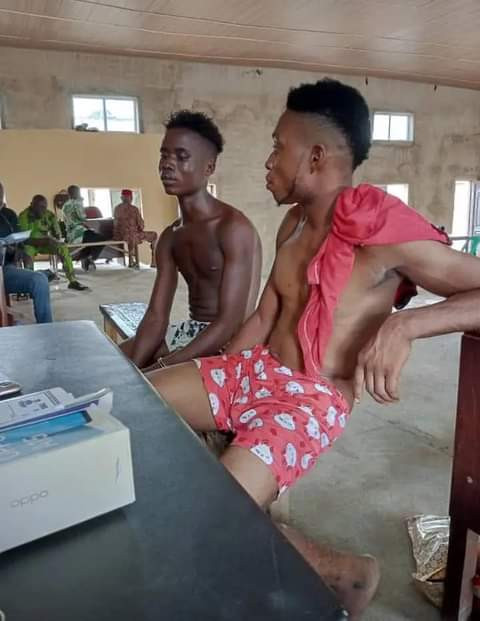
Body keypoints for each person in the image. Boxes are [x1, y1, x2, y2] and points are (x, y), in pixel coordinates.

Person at [146, 79, 480, 620]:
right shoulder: (294, 220)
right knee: (135, 404)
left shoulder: (381, 230)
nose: (268, 160)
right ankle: (251, 499)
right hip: (256, 368)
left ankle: (346, 572)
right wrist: (220, 379)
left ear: (316, 156)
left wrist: (406, 325)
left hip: (307, 400)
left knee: (214, 515)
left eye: (278, 146)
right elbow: (264, 316)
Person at [120, 110, 262, 371]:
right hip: (191, 333)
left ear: (209, 167)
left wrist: (161, 367)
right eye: (164, 155)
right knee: (113, 363)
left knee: (152, 381)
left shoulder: (233, 228)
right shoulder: (170, 237)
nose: (167, 164)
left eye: (181, 157)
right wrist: (134, 370)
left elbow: (229, 323)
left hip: (230, 346)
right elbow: (156, 316)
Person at [0, 181, 53, 323]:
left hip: (6, 269)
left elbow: (18, 241)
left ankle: (47, 328)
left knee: (39, 280)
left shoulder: (8, 215)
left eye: (1, 195)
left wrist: (17, 250)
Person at [18, 195, 88, 291]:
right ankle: (30, 284)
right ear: (31, 205)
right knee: (27, 252)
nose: (42, 210)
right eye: (39, 207)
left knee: (63, 248)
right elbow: (23, 239)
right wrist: (44, 240)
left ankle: (73, 281)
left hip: (45, 243)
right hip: (30, 244)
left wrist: (56, 239)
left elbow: (57, 234)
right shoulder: (24, 216)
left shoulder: (49, 215)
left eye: (44, 207)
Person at [62, 185, 106, 271]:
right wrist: (81, 202)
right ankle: (90, 258)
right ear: (77, 193)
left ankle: (85, 258)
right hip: (80, 233)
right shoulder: (76, 203)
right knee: (101, 238)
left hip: (70, 234)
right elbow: (82, 217)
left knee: (90, 242)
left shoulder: (65, 205)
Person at [113, 189, 158, 268]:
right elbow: (141, 225)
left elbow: (115, 224)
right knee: (154, 235)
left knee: (130, 234)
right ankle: (153, 262)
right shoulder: (134, 209)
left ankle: (131, 260)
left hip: (119, 236)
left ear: (121, 198)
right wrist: (139, 227)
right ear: (131, 198)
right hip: (132, 236)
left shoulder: (117, 208)